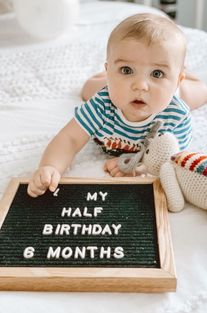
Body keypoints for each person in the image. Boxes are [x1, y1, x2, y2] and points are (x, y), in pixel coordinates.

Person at [28, 13, 192, 197]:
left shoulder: (177, 116)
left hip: (175, 93)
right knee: (88, 89)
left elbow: (171, 162)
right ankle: (109, 76)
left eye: (157, 73)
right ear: (110, 71)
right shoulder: (102, 104)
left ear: (177, 80)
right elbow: (69, 138)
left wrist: (136, 166)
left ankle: (186, 80)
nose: (140, 85)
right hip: (109, 88)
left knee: (196, 94)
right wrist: (50, 166)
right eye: (126, 70)